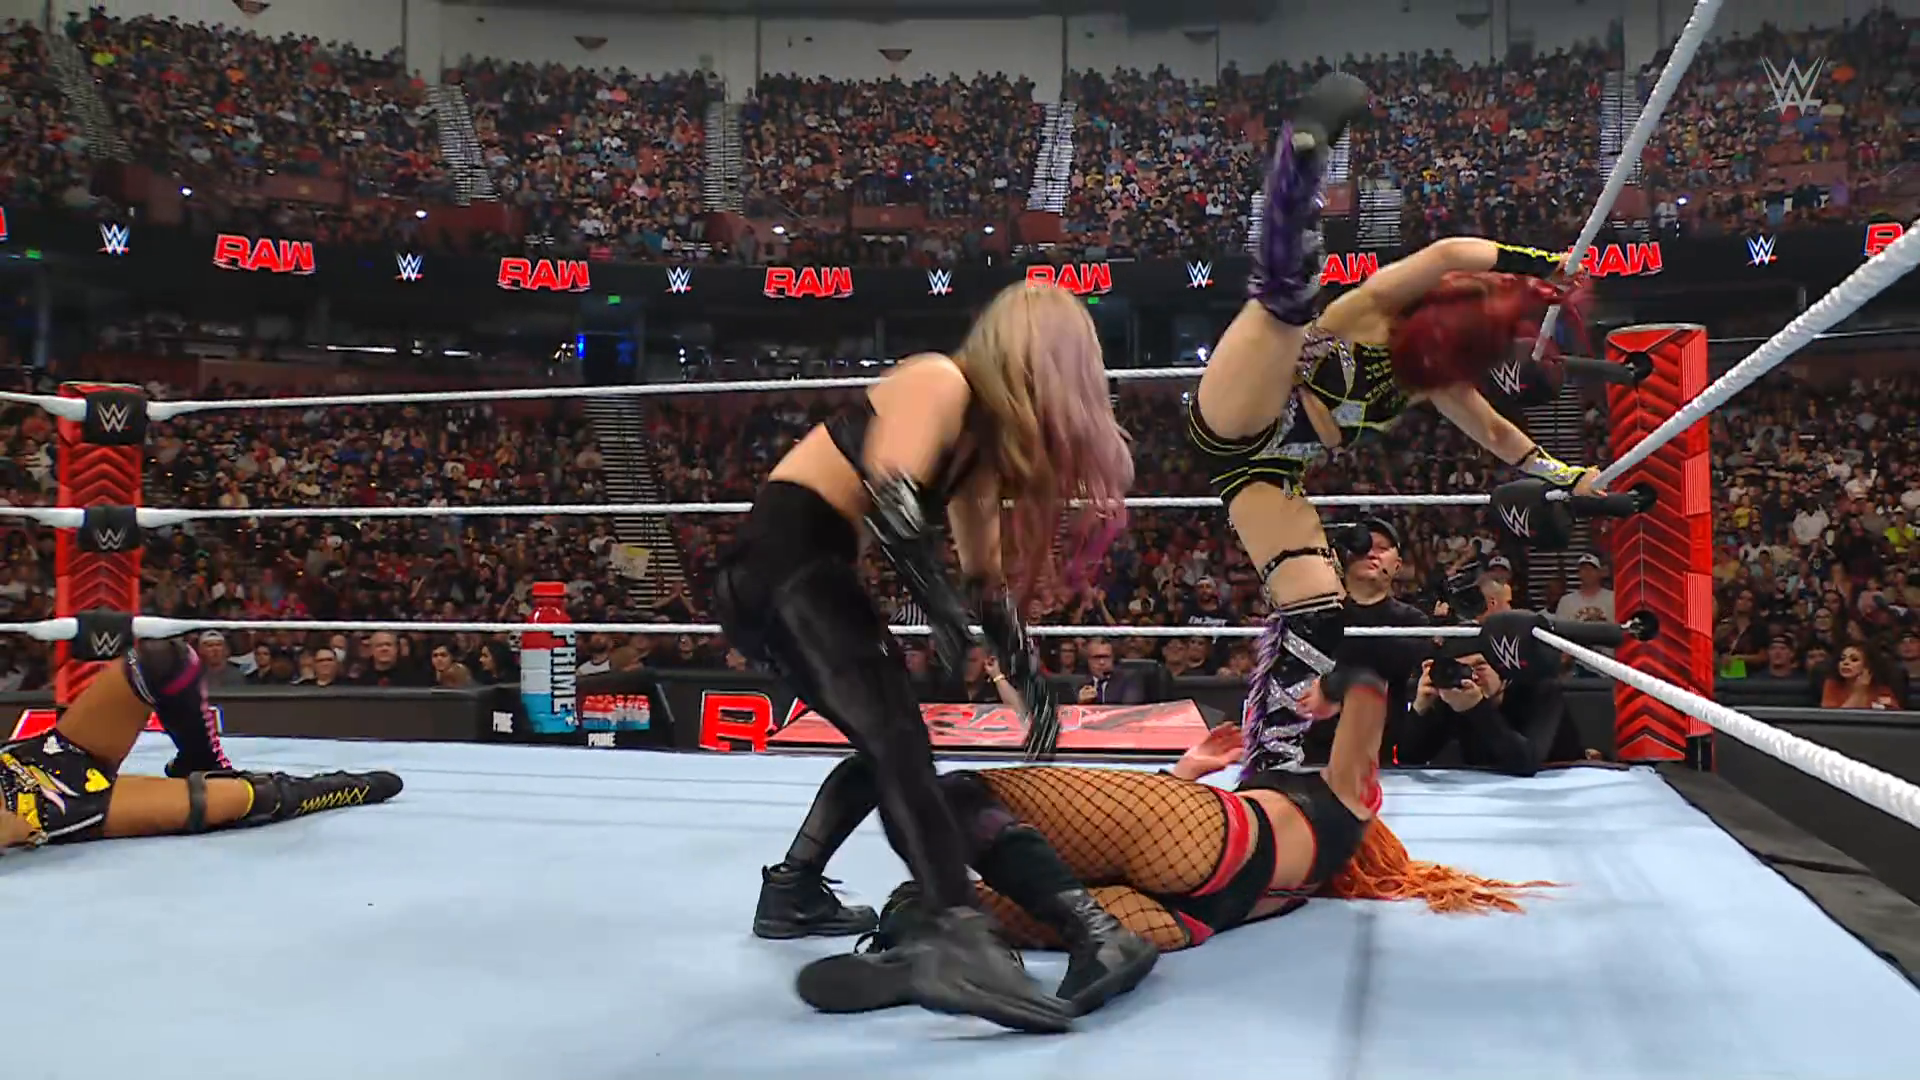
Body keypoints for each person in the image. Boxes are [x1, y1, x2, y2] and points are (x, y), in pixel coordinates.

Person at [712, 280, 1134, 1034]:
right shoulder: (938, 380)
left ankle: (793, 890)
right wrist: (937, 607)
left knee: (889, 739)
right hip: (784, 565)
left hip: (805, 577)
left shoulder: (977, 454)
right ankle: (954, 930)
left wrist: (1026, 677)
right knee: (898, 740)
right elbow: (895, 501)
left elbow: (985, 582)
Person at [1187, 71, 1605, 773]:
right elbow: (1447, 255)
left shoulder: (1431, 381)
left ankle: (1274, 758)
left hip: (1268, 471)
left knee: (1316, 607)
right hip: (1246, 407)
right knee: (1288, 304)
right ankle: (1298, 168)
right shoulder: (1374, 308)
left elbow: (1499, 435)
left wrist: (1567, 475)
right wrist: (1543, 264)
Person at [793, 671, 1550, 1018]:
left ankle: (932, 930)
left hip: (1213, 835)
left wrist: (1332, 688)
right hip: (1188, 917)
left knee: (954, 799)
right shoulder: (1311, 869)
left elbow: (1369, 683)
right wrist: (1186, 772)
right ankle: (930, 956)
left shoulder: (1352, 797)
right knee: (972, 901)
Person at [2, 638, 402, 852]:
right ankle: (337, 788)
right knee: (247, 797)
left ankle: (200, 759)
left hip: (25, 763)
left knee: (164, 661)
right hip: (49, 809)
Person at [1396, 647, 1584, 775]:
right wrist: (1420, 708)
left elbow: (1527, 763)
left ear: (1502, 672)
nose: (1473, 677)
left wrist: (1477, 708)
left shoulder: (1540, 691)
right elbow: (1408, 758)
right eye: (1462, 669)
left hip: (1555, 788)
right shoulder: (1456, 694)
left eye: (1479, 667)